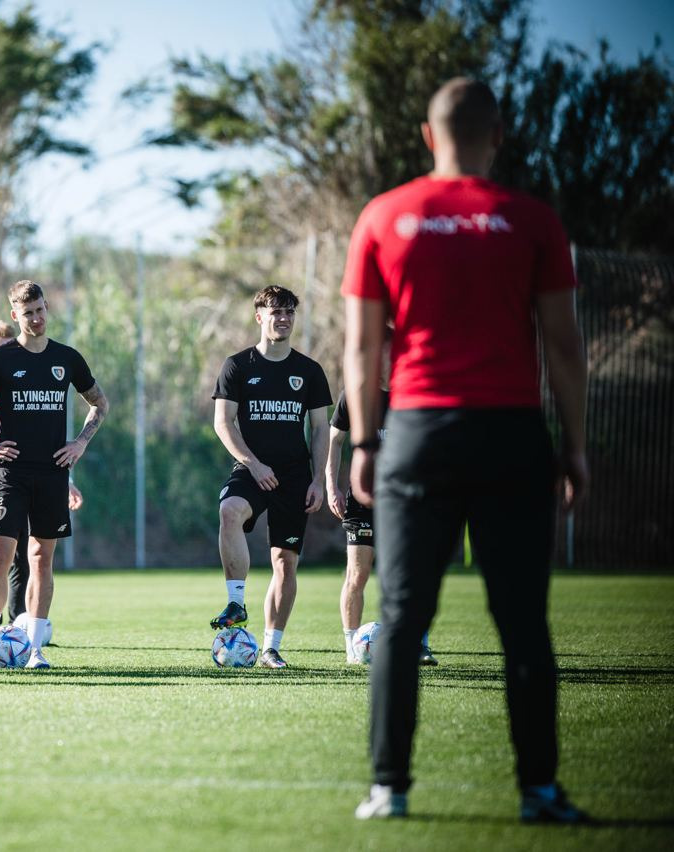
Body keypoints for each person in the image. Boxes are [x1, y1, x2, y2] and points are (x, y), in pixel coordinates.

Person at [343, 78, 589, 822]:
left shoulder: (385, 216)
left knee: (401, 614)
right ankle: (539, 792)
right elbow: (564, 345)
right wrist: (575, 445)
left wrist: (365, 440)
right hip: (512, 433)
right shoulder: (532, 219)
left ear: (428, 136)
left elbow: (361, 349)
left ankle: (389, 787)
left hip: (418, 433)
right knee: (522, 619)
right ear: (499, 135)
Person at [0, 280, 108, 669]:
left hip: (53, 474)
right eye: (28, 313)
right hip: (11, 475)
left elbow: (99, 403)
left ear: (46, 309)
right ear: (15, 315)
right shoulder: (0, 358)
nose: (36, 318)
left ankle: (35, 649)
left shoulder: (67, 358)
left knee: (41, 558)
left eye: (40, 310)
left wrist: (80, 443)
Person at [209, 285, 332, 669]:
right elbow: (223, 423)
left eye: (289, 312)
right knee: (230, 510)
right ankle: (236, 602)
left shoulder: (309, 371)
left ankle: (271, 648)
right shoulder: (237, 366)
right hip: (251, 468)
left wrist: (318, 480)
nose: (284, 318)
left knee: (284, 562)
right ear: (259, 316)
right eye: (276, 311)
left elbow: (321, 429)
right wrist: (253, 464)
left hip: (295, 476)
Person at [0, 321, 82, 624]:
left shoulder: (25, 381)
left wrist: (68, 481)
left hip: (27, 481)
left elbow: (45, 439)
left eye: (4, 348)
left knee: (25, 557)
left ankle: (19, 624)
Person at [327, 387, 438, 665]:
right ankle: (352, 649)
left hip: (403, 498)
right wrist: (331, 487)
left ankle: (420, 645)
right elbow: (335, 440)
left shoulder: (412, 388)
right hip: (361, 500)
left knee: (410, 573)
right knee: (357, 574)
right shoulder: (355, 392)